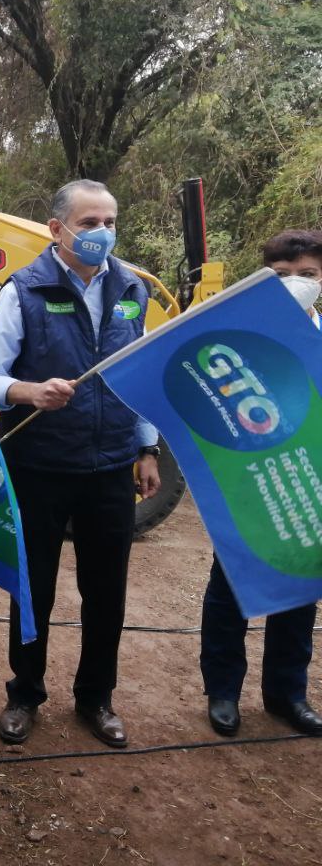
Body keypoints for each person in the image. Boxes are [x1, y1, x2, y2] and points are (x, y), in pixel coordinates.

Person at [0, 179, 160, 749]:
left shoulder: (132, 287)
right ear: (56, 230)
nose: (102, 233)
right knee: (32, 587)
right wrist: (30, 392)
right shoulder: (25, 291)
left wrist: (147, 447)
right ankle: (24, 694)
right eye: (89, 224)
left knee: (106, 589)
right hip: (39, 464)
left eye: (109, 221)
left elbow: (143, 375)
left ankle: (96, 698)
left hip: (110, 466)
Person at [201, 229, 322, 737]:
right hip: (250, 480)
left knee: (300, 591)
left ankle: (287, 694)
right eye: (281, 276)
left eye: (308, 275)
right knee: (231, 586)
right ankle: (223, 692)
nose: (295, 283)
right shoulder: (239, 333)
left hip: (309, 487)